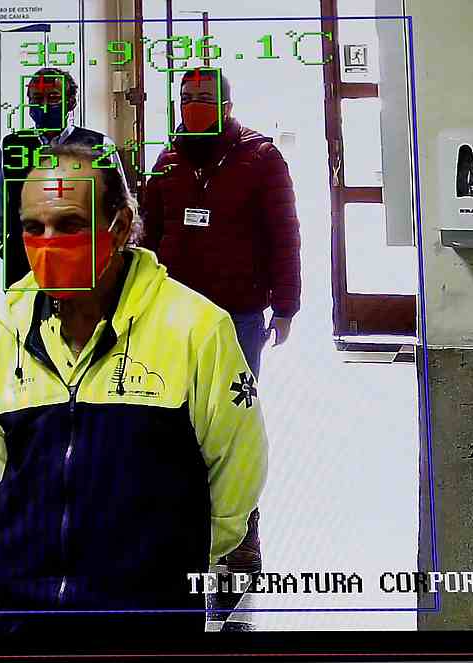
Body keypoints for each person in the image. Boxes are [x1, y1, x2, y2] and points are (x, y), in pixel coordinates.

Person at [0, 143, 268, 635]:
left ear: (121, 226)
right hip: (19, 612)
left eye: (69, 224)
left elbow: (237, 471)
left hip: (145, 617)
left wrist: (170, 558)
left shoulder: (195, 328)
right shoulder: (3, 329)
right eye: (32, 227)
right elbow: (7, 459)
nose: (48, 242)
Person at [141, 68, 301, 574]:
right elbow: (147, 234)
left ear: (227, 105)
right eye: (186, 98)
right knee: (178, 420)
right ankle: (183, 527)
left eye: (204, 98)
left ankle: (241, 535)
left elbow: (284, 233)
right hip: (174, 313)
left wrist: (287, 304)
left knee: (233, 424)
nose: (193, 106)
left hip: (239, 314)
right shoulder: (166, 161)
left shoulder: (260, 157)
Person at [0, 67, 129, 298]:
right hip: (25, 263)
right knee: (25, 328)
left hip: (84, 261)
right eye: (37, 99)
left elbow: (120, 204)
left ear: (71, 103)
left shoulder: (99, 145)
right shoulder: (9, 147)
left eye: (54, 97)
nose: (45, 105)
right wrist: (6, 249)